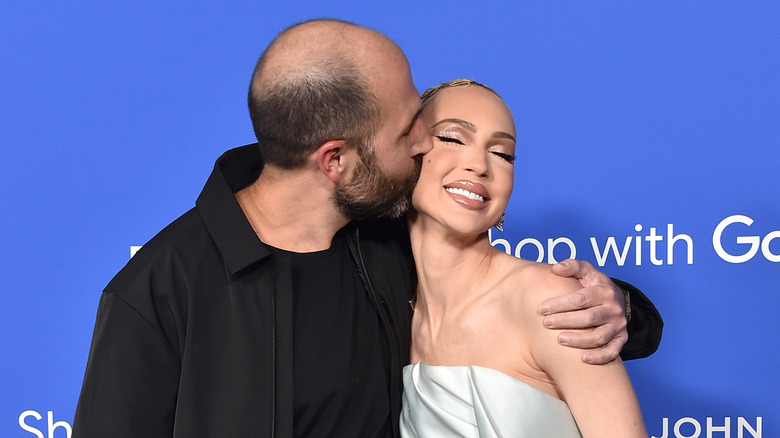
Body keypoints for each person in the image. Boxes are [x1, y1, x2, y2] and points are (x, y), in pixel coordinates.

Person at [72, 19, 661, 438]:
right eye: (411, 132)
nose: (428, 144)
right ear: (336, 160)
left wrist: (617, 306)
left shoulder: (387, 234)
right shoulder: (157, 291)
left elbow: (510, 307)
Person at [400, 79, 647, 437]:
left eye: (502, 153)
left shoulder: (547, 300)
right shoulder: (391, 312)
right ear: (408, 147)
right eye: (453, 138)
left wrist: (622, 304)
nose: (479, 164)